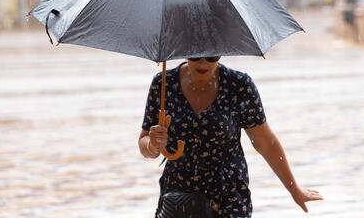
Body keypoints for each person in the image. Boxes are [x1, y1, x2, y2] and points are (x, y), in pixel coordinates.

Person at [138, 57, 323, 218]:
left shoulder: (239, 85)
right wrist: (153, 145)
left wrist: (293, 188)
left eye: (211, 55)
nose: (203, 62)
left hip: (228, 195)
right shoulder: (163, 83)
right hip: (178, 195)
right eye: (196, 55)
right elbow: (145, 144)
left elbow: (266, 144)